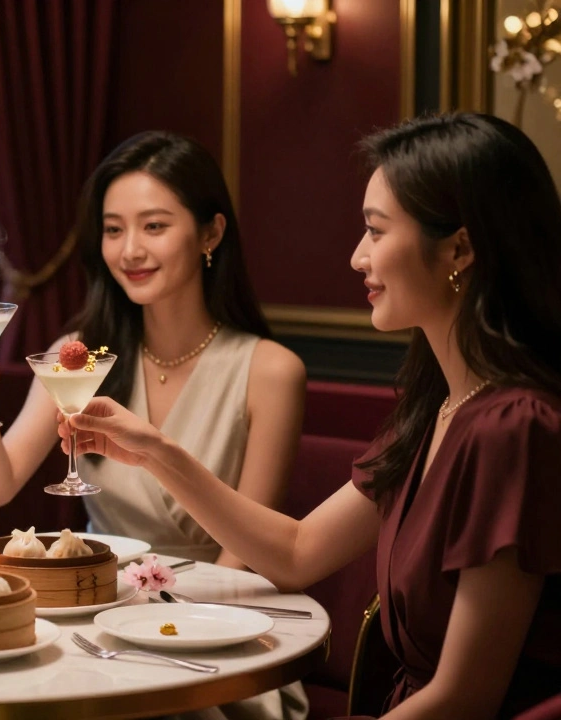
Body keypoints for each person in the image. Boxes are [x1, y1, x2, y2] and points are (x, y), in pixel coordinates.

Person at [63, 112, 561, 719]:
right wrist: (155, 452)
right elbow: (297, 551)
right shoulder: (437, 406)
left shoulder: (514, 426)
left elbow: (465, 697)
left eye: (376, 232)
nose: (356, 257)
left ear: (459, 247)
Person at [0, 131, 306, 567]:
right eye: (113, 230)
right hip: (97, 589)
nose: (130, 251)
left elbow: (250, 553)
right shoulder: (78, 355)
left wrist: (181, 608)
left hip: (215, 597)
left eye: (154, 226)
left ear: (210, 233)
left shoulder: (271, 372)